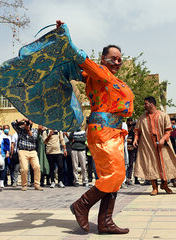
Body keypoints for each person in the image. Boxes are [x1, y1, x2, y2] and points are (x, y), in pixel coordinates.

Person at [64, 27, 133, 233]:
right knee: (116, 174)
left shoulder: (110, 77)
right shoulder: (99, 72)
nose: (117, 63)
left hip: (113, 131)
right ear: (103, 59)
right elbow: (82, 59)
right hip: (103, 130)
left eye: (120, 59)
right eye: (113, 58)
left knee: (112, 177)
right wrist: (65, 37)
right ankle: (81, 205)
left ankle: (105, 223)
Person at [133, 96, 176, 196]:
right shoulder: (142, 118)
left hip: (162, 145)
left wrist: (163, 139)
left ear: (151, 104)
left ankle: (165, 185)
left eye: (145, 104)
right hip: (147, 145)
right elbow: (137, 130)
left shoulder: (163, 115)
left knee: (165, 165)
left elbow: (168, 130)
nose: (144, 106)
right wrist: (135, 139)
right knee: (151, 166)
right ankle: (154, 187)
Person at [11, 118, 43, 191]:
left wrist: (28, 130)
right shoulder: (20, 130)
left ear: (32, 123)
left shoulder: (35, 130)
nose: (28, 123)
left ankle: (37, 185)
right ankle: (24, 185)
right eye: (26, 122)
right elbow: (13, 124)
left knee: (37, 167)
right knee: (24, 168)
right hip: (23, 151)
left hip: (33, 151)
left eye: (29, 122)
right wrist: (21, 119)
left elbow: (34, 138)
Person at [126, 118, 138, 185]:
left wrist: (127, 140)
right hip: (125, 149)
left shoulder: (133, 132)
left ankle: (129, 178)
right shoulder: (124, 131)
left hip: (132, 150)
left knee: (131, 164)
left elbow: (134, 140)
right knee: (125, 164)